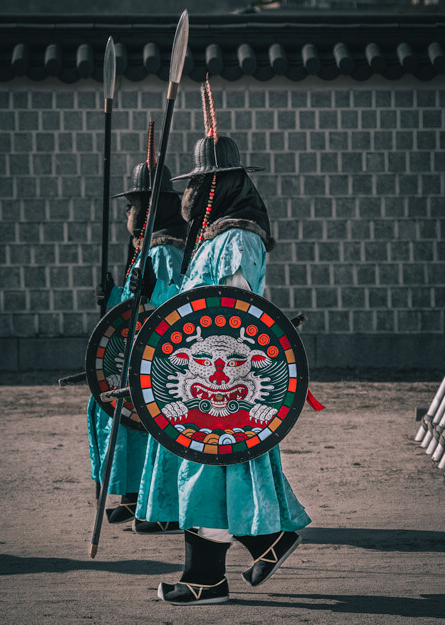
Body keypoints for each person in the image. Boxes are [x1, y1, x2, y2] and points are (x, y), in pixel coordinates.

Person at [135, 80, 311, 605]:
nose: (190, 195)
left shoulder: (238, 237)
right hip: (197, 378)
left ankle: (209, 577)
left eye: (199, 184)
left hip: (224, 382)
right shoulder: (214, 238)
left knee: (207, 476)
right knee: (209, 476)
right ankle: (261, 542)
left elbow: (232, 311)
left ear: (218, 187)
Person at [87, 121, 185, 530]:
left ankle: (157, 506)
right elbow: (129, 309)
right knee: (116, 419)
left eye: (132, 207)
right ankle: (131, 495)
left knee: (141, 426)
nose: (127, 214)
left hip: (159, 354)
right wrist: (110, 298)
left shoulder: (165, 249)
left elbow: (173, 301)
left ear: (148, 209)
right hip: (131, 348)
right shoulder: (141, 248)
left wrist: (152, 291)